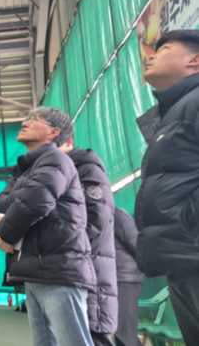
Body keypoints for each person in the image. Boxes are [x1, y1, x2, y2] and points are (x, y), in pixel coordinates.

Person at [0, 107, 95, 346]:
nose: (25, 123)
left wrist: (4, 234)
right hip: (37, 270)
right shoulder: (26, 170)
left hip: (59, 270)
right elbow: (1, 201)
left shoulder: (56, 160)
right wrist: (21, 196)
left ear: (53, 132)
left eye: (34, 119)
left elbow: (34, 201)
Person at [135, 29, 199, 344]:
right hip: (184, 256)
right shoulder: (174, 113)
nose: (150, 56)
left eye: (163, 49)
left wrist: (190, 224)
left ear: (195, 60)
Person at [59, 138, 117, 346]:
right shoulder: (59, 170)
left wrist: (55, 240)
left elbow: (94, 218)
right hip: (71, 269)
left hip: (90, 271)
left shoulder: (87, 169)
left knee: (92, 332)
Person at [113, 207, 143, 346]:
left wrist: (143, 263)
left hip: (124, 277)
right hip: (111, 278)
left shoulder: (116, 213)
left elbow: (136, 243)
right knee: (120, 331)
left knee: (125, 333)